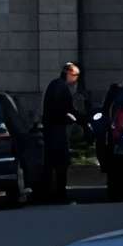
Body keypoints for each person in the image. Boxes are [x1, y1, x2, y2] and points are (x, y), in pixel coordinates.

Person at [40, 60, 82, 202]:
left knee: (52, 163)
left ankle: (50, 193)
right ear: (69, 74)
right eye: (75, 75)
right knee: (60, 163)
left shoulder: (56, 85)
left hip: (52, 129)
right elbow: (63, 109)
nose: (76, 79)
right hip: (56, 130)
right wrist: (72, 118)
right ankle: (59, 194)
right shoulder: (61, 87)